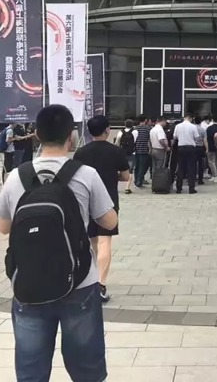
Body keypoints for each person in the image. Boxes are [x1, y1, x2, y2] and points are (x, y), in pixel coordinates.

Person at [0, 104, 118, 382]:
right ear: (71, 137)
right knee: (86, 369)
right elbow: (109, 221)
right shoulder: (86, 174)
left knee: (31, 370)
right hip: (80, 281)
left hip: (28, 281)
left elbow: (4, 228)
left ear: (37, 135)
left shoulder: (16, 176)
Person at [74, 115, 130, 303]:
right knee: (105, 240)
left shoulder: (81, 152)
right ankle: (101, 284)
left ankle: (90, 280)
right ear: (107, 130)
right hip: (108, 200)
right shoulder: (116, 151)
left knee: (92, 241)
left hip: (86, 200)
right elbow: (125, 176)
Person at [173, 113, 199, 194]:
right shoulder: (193, 126)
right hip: (191, 148)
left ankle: (179, 188)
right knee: (191, 168)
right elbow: (197, 137)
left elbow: (175, 137)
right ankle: (191, 188)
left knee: (180, 168)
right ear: (191, 118)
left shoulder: (178, 126)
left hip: (181, 147)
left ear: (184, 118)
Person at [115, 119, 138, 194]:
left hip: (122, 153)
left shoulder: (120, 132)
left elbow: (117, 142)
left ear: (125, 125)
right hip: (132, 153)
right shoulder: (135, 132)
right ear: (132, 125)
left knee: (119, 169)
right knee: (130, 170)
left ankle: (116, 187)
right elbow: (135, 141)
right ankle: (127, 188)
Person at [133, 114, 151, 188]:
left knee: (137, 166)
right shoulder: (148, 129)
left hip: (136, 150)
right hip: (144, 150)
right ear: (145, 120)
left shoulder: (135, 128)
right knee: (142, 166)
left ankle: (136, 180)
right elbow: (149, 139)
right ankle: (139, 182)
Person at [206, 115, 217, 183]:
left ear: (212, 120)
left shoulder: (209, 128)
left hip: (211, 146)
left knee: (211, 162)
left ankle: (215, 176)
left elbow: (206, 138)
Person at [194, 116, 207, 185]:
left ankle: (192, 178)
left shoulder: (192, 128)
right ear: (201, 122)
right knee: (200, 164)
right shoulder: (203, 130)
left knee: (192, 163)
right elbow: (205, 140)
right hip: (200, 147)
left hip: (193, 147)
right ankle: (200, 180)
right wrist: (207, 148)